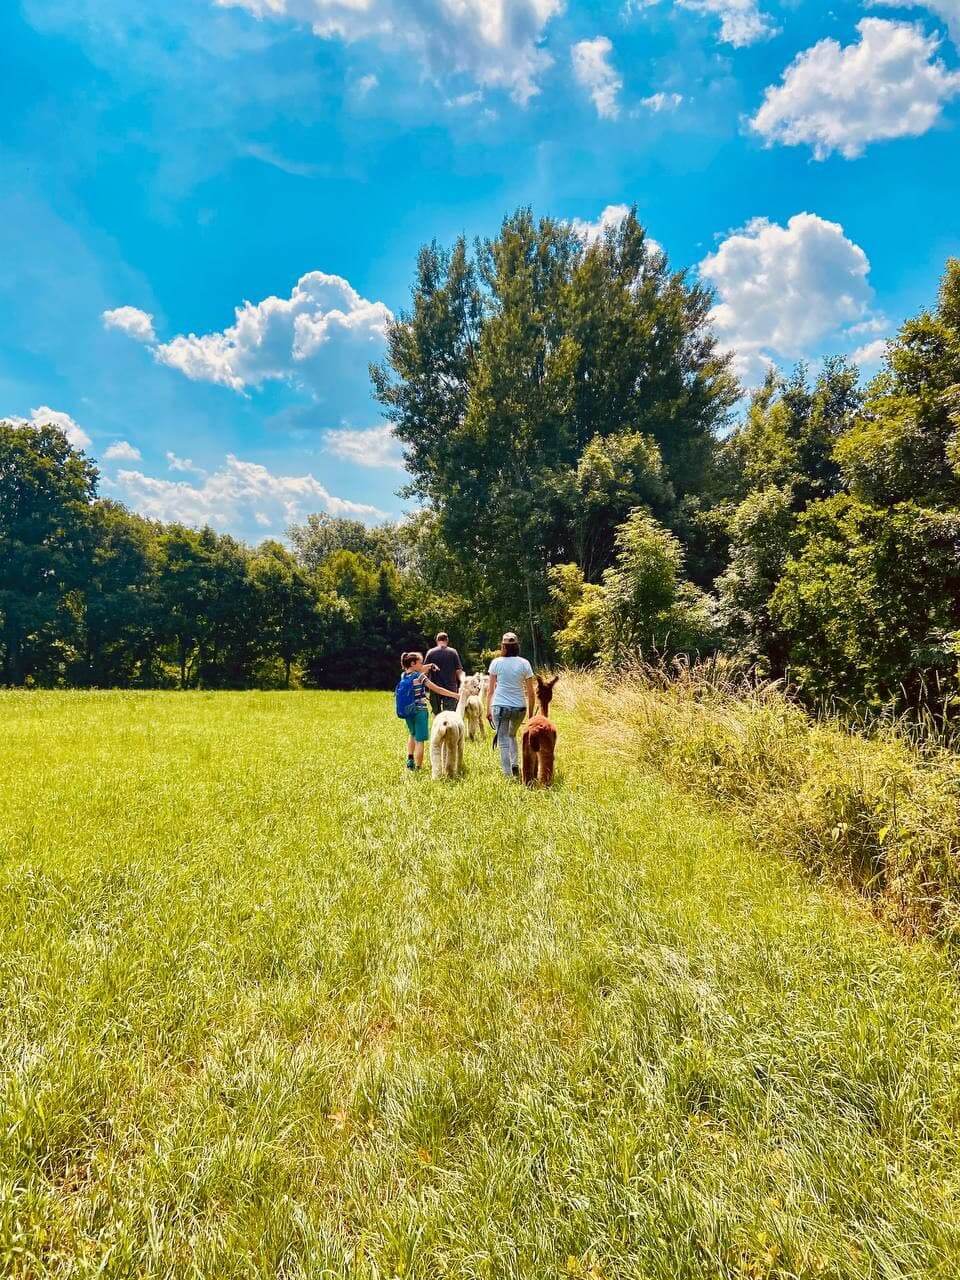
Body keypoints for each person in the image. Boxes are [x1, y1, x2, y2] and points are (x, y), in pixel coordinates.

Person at [396, 651, 464, 771]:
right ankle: (418, 768)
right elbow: (436, 689)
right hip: (420, 711)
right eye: (420, 663)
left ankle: (410, 760)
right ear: (413, 663)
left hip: (408, 711)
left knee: (412, 734)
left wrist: (430, 665)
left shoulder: (404, 676)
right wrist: (454, 695)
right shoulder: (420, 676)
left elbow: (420, 669)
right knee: (420, 740)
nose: (423, 665)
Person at [485, 631, 536, 779]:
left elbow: (490, 690)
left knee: (503, 740)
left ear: (503, 646)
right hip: (519, 708)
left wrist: (488, 709)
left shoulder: (496, 663)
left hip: (500, 706)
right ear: (517, 646)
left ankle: (507, 775)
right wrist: (531, 714)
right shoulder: (524, 663)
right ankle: (515, 764)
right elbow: (531, 692)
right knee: (512, 734)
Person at [424, 632, 464, 715]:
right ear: (447, 640)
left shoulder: (430, 652)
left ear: (437, 640)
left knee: (437, 715)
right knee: (450, 715)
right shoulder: (453, 652)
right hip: (451, 688)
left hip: (435, 688)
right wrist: (464, 681)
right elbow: (459, 671)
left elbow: (425, 670)